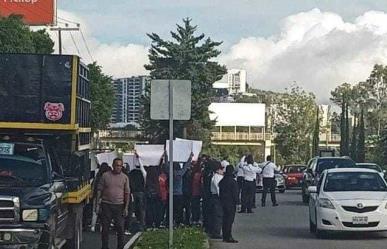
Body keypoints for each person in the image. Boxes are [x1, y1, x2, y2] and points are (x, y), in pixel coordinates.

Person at [96, 158, 130, 249]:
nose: (118, 167)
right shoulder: (105, 176)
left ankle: (120, 247)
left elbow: (127, 193)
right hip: (106, 204)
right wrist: (97, 205)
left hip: (119, 205)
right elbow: (99, 190)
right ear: (113, 166)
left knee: (120, 228)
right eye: (117, 165)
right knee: (105, 229)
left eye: (120, 165)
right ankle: (105, 247)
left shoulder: (125, 177)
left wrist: (126, 207)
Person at [166, 152, 193, 226]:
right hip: (179, 194)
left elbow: (166, 165)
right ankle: (177, 222)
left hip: (171, 194)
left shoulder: (170, 173)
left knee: (170, 209)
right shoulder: (181, 173)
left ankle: (168, 222)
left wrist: (166, 156)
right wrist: (190, 157)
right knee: (178, 210)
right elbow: (186, 166)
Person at [219, 165, 239, 243]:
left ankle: (224, 236)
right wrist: (237, 203)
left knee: (224, 219)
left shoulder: (222, 181)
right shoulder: (233, 182)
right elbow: (235, 194)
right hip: (231, 203)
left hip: (223, 202)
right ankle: (229, 236)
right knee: (229, 220)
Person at [128, 153, 147, 231]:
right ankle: (142, 224)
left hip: (133, 193)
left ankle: (129, 225)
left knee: (132, 209)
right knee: (142, 209)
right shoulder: (142, 174)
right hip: (141, 192)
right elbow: (145, 182)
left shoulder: (131, 173)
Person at [91, 163, 111, 232]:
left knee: (95, 212)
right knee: (104, 213)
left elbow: (94, 186)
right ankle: (102, 227)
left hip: (96, 195)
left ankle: (93, 226)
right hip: (105, 196)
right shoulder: (108, 176)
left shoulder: (98, 176)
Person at [209, 161, 224, 239]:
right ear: (217, 170)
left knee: (215, 214)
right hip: (217, 198)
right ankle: (216, 232)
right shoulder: (217, 177)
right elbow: (219, 189)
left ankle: (214, 231)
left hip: (214, 197)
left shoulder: (215, 176)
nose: (222, 171)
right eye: (221, 169)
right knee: (218, 215)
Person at [191, 160, 202, 225]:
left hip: (193, 192)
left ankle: (194, 219)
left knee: (194, 206)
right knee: (197, 206)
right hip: (198, 192)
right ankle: (197, 219)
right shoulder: (199, 175)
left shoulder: (193, 174)